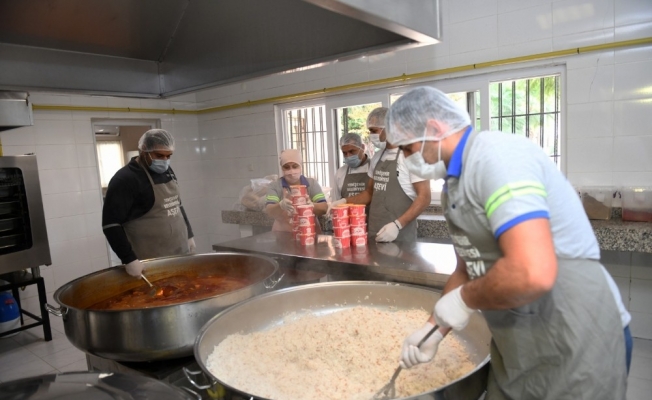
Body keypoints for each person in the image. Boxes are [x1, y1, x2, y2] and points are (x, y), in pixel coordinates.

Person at [387, 87, 631, 399]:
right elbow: (467, 268)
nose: (406, 158)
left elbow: (532, 271)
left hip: (576, 338)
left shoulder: (496, 158)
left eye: (407, 148)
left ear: (434, 129)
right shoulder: (452, 187)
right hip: (517, 344)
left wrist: (463, 300)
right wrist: (433, 329)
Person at [102, 129, 196, 277]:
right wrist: (129, 259)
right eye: (159, 156)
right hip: (151, 262)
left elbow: (178, 205)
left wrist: (189, 235)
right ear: (144, 150)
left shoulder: (167, 170)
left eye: (168, 156)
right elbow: (111, 224)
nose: (164, 161)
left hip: (180, 253)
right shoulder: (125, 179)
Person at [330, 107, 431, 242]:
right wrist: (344, 201)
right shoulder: (377, 157)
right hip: (375, 231)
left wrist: (397, 225)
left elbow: (424, 197)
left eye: (374, 130)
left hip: (400, 234)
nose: (371, 135)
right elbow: (369, 193)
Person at [265, 149, 328, 231]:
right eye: (286, 167)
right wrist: (281, 205)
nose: (291, 171)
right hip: (283, 234)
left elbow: (324, 208)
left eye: (295, 166)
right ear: (282, 168)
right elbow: (269, 211)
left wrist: (312, 206)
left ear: (301, 166)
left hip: (309, 233)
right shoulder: (275, 186)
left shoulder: (311, 184)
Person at [333, 133, 371, 201]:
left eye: (352, 151)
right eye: (344, 153)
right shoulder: (340, 173)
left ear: (362, 147)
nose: (348, 156)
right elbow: (335, 200)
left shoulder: (374, 168)